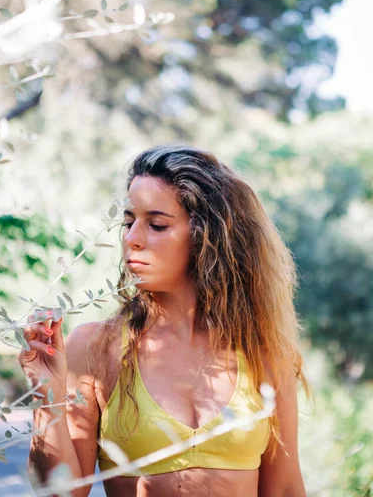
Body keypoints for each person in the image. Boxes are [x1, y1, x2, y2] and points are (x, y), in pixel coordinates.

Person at [19, 145, 309, 497]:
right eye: (129, 222)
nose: (132, 239)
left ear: (208, 237)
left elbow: (285, 489)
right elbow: (60, 493)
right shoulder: (96, 348)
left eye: (156, 225)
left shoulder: (262, 353)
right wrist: (45, 393)